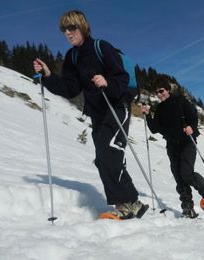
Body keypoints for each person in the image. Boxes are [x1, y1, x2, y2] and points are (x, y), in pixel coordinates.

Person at [32, 10, 148, 220]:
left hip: (116, 106)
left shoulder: (101, 47)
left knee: (109, 152)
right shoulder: (72, 57)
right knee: (103, 158)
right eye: (64, 29)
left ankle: (124, 204)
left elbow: (121, 77)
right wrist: (48, 76)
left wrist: (107, 82)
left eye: (72, 27)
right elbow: (70, 89)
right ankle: (134, 202)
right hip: (97, 113)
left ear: (82, 27)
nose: (68, 33)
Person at [141, 76, 204, 218]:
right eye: (157, 92)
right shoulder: (160, 109)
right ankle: (187, 207)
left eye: (161, 91)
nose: (159, 94)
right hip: (172, 145)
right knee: (178, 177)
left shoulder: (180, 101)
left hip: (187, 142)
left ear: (168, 90)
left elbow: (193, 116)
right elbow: (154, 129)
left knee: (186, 172)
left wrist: (191, 127)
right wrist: (148, 115)